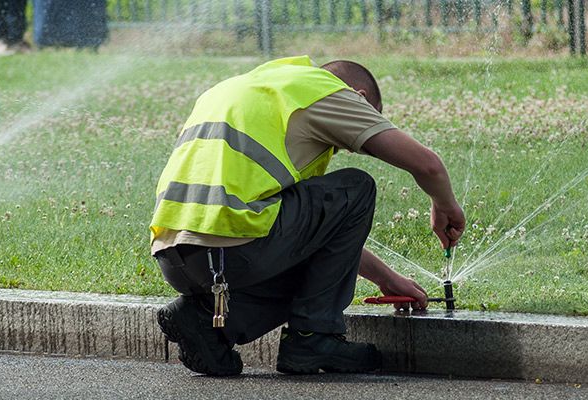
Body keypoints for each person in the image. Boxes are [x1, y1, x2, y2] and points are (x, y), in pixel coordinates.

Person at [149, 56, 465, 376]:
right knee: (357, 187)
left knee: (312, 260)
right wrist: (445, 206)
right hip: (236, 248)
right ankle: (313, 336)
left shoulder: (251, 88)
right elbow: (428, 165)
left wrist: (386, 278)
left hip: (175, 257)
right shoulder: (324, 92)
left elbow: (310, 238)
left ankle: (208, 323)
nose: (340, 149)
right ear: (361, 99)